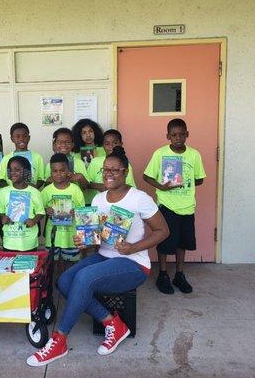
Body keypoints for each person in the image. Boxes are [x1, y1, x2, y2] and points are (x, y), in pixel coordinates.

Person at [27, 146, 169, 366]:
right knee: (64, 282)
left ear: (125, 171)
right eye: (105, 170)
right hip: (104, 256)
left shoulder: (139, 198)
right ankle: (113, 324)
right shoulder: (98, 200)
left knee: (84, 278)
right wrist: (83, 241)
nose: (108, 174)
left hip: (133, 263)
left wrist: (134, 247)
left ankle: (60, 340)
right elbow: (94, 239)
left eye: (114, 170)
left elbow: (163, 231)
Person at [143, 118, 206, 294]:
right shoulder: (160, 154)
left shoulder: (194, 155)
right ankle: (163, 274)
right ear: (168, 136)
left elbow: (200, 179)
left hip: (187, 206)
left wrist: (184, 181)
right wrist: (162, 186)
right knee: (164, 241)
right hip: (166, 205)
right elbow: (147, 176)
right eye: (174, 135)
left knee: (182, 242)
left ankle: (179, 274)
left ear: (187, 134)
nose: (178, 138)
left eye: (181, 134)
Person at [41, 153, 85, 274]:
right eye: (54, 171)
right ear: (50, 172)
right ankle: (54, 284)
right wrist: (46, 210)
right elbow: (40, 210)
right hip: (53, 235)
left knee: (70, 262)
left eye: (62, 170)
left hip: (71, 235)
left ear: (68, 171)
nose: (58, 174)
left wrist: (75, 211)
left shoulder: (75, 190)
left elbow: (83, 212)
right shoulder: (47, 190)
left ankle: (67, 282)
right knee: (52, 262)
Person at [0, 156, 44, 252]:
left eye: (17, 169)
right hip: (9, 241)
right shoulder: (3, 192)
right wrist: (3, 217)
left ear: (27, 172)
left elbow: (41, 212)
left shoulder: (35, 192)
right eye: (10, 170)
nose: (13, 173)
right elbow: (0, 211)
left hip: (28, 241)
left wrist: (34, 220)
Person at [87, 129, 137, 204]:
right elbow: (87, 183)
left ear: (121, 144)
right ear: (103, 145)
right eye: (107, 143)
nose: (111, 146)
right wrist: (99, 186)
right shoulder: (95, 162)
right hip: (100, 203)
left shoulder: (125, 165)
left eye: (115, 143)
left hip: (120, 203)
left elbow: (130, 187)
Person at [0, 123, 45, 189]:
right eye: (17, 136)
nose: (21, 139)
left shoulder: (37, 157)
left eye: (24, 136)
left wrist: (33, 190)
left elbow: (41, 179)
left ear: (29, 138)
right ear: (12, 139)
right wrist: (10, 191)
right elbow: (1, 180)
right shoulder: (6, 158)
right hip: (12, 195)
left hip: (30, 194)